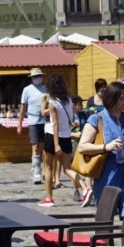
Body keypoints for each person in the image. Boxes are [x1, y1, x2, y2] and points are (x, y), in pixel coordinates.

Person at [78, 81, 124, 215]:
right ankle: (104, 237)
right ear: (112, 98)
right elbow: (82, 147)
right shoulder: (96, 119)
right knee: (105, 218)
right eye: (123, 97)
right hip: (108, 176)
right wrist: (106, 147)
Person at [39, 74, 82, 207]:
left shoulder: (52, 102)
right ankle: (85, 188)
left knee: (48, 168)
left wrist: (56, 144)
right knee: (67, 168)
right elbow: (72, 119)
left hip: (52, 136)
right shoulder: (69, 101)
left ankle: (49, 198)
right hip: (66, 136)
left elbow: (54, 123)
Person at [18, 67, 47, 185]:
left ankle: (46, 169)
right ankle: (36, 171)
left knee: (45, 147)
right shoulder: (27, 90)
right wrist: (19, 124)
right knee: (35, 146)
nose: (37, 78)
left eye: (38, 76)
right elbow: (23, 107)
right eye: (35, 77)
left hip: (45, 121)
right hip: (33, 120)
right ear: (31, 78)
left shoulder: (45, 89)